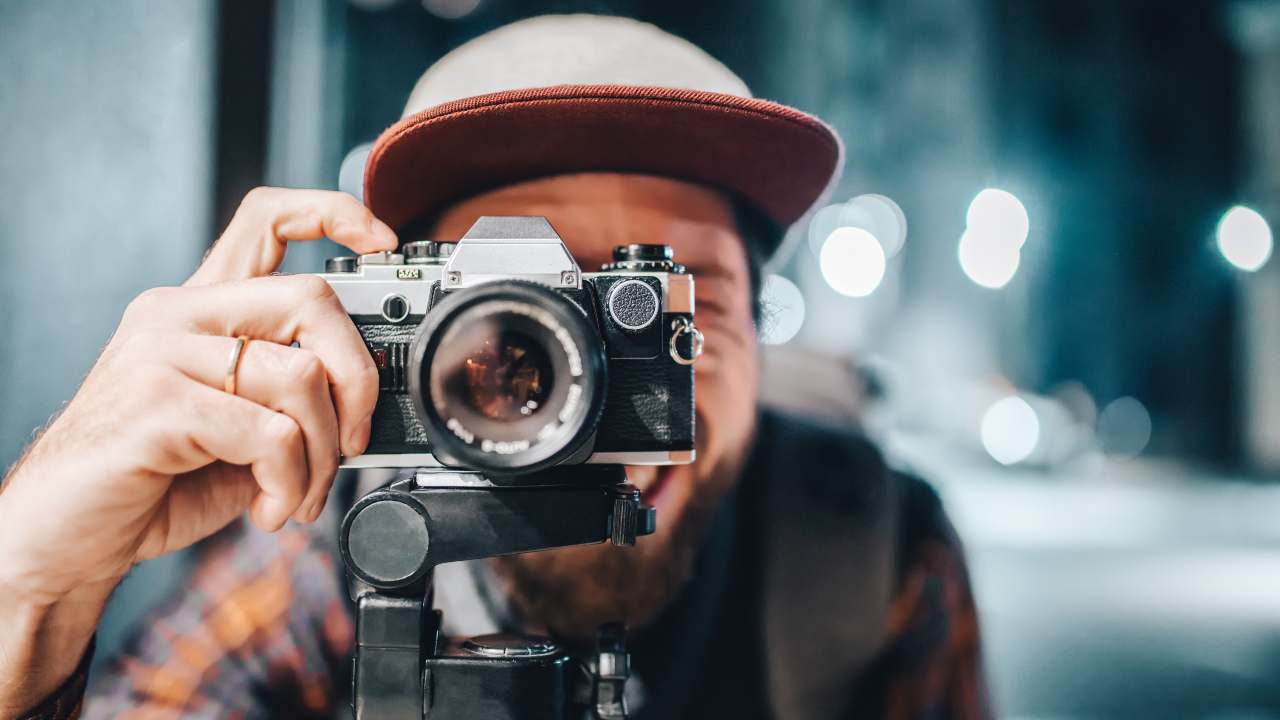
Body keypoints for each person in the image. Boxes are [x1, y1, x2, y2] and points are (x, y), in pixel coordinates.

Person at [0, 15, 988, 720]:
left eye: (652, 301)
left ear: (754, 334)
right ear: (395, 335)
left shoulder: (866, 552)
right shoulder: (338, 556)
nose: (586, 376)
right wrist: (28, 593)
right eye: (516, 319)